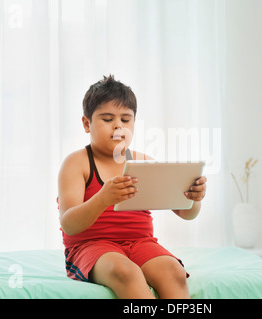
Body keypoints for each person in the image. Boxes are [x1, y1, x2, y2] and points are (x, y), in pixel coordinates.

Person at [57, 75, 207, 299]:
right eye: (107, 119)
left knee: (173, 271)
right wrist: (103, 198)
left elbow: (186, 213)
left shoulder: (142, 162)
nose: (118, 125)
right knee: (126, 271)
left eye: (126, 120)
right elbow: (69, 224)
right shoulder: (77, 163)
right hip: (91, 247)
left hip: (141, 243)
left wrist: (194, 198)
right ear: (87, 124)